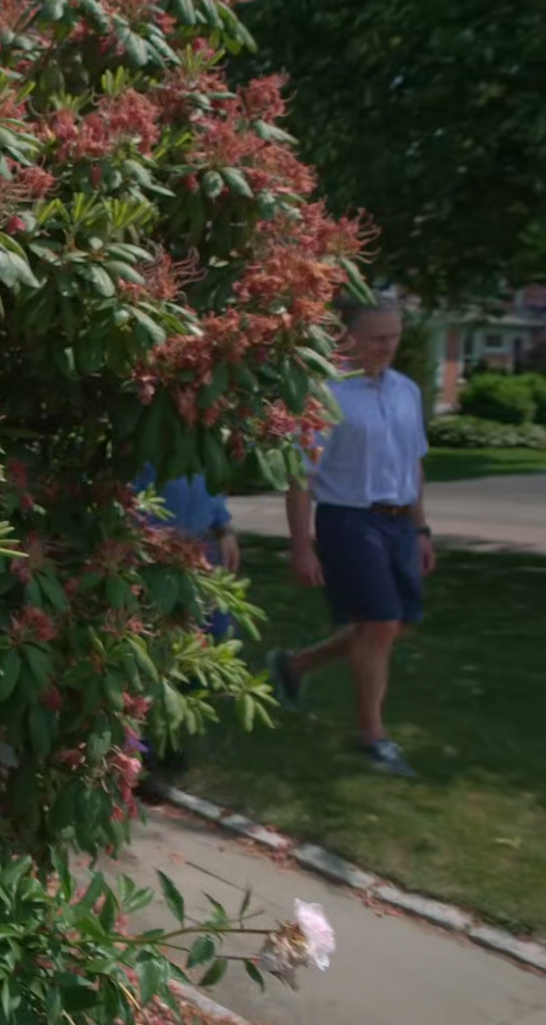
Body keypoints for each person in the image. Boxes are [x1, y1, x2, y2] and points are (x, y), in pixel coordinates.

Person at [268, 293, 432, 777]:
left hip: (399, 522)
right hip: (348, 519)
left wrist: (421, 528)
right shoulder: (325, 394)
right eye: (378, 337)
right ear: (348, 337)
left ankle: (295, 665)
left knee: (396, 623)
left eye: (394, 336)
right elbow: (301, 475)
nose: (388, 346)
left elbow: (413, 464)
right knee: (380, 623)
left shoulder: (407, 390)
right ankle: (372, 735)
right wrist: (302, 545)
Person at [130, 465, 242, 787]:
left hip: (200, 550)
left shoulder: (205, 443)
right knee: (152, 656)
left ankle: (170, 737)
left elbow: (212, 484)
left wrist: (224, 527)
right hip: (155, 555)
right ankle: (144, 751)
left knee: (207, 645)